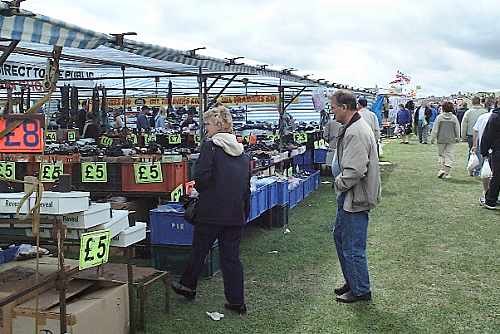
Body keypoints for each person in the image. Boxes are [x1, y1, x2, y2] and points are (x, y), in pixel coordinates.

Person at [171, 105, 251, 315]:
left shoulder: (211, 147)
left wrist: (203, 191)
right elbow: (246, 186)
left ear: (218, 124)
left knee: (199, 250)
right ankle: (237, 301)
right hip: (235, 213)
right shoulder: (242, 151)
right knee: (231, 258)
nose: (205, 128)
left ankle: (187, 286)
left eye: (207, 124)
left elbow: (201, 178)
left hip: (212, 211)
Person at [329, 90, 381, 303]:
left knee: (352, 245)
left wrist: (338, 183)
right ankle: (353, 281)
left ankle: (360, 290)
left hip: (355, 197)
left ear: (343, 107)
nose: (331, 110)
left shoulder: (356, 131)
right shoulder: (353, 127)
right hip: (351, 196)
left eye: (333, 107)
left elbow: (355, 171)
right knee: (341, 238)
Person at [430, 102, 461, 179]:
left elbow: (435, 129)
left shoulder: (439, 117)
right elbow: (457, 129)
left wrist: (432, 138)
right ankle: (447, 173)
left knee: (441, 155)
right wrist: (458, 137)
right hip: (451, 139)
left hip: (441, 139)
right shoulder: (454, 118)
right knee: (449, 155)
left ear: (442, 108)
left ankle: (442, 169)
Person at [480, 107, 500, 210]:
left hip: (497, 149)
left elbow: (488, 135)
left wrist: (484, 151)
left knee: (497, 176)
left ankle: (491, 200)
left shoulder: (495, 116)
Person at [461, 97, 487, 175]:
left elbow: (464, 125)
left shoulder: (468, 112)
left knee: (471, 151)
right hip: (482, 134)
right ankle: (478, 170)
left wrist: (463, 136)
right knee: (480, 152)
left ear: (472, 102)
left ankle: (471, 168)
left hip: (470, 134)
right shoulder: (485, 112)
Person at [472, 109, 493, 205]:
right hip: (494, 147)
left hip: (484, 146)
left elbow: (475, 130)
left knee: (486, 170)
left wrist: (475, 145)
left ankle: (486, 191)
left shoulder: (482, 117)